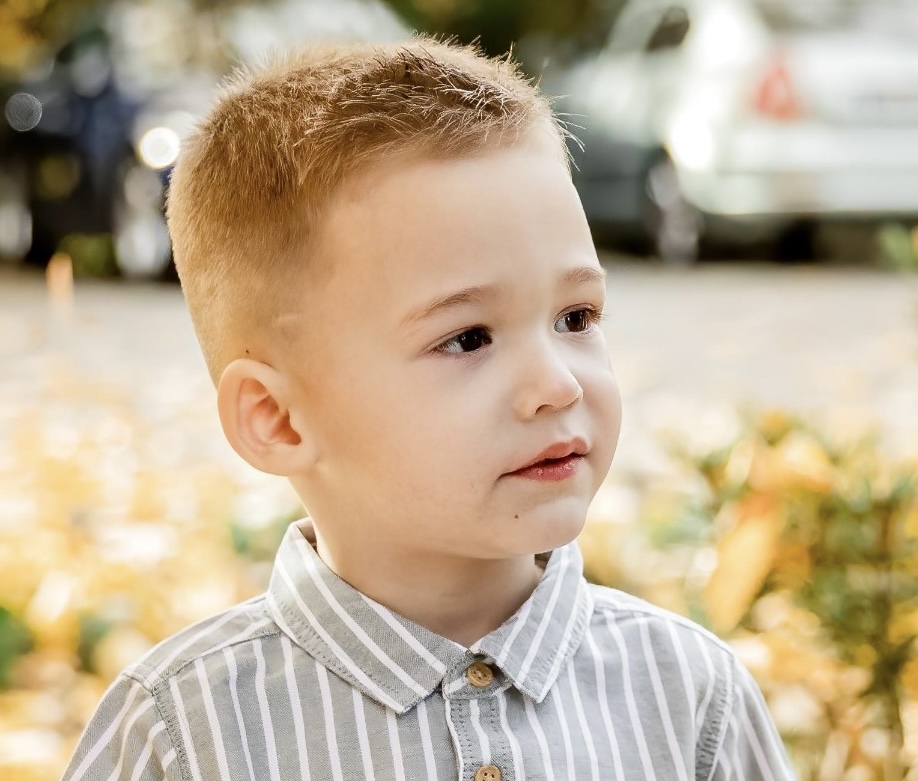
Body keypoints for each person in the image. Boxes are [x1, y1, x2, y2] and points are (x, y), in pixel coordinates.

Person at [61, 36, 796, 780]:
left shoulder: (691, 700)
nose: (559, 384)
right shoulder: (182, 735)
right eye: (467, 338)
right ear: (278, 418)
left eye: (575, 317)